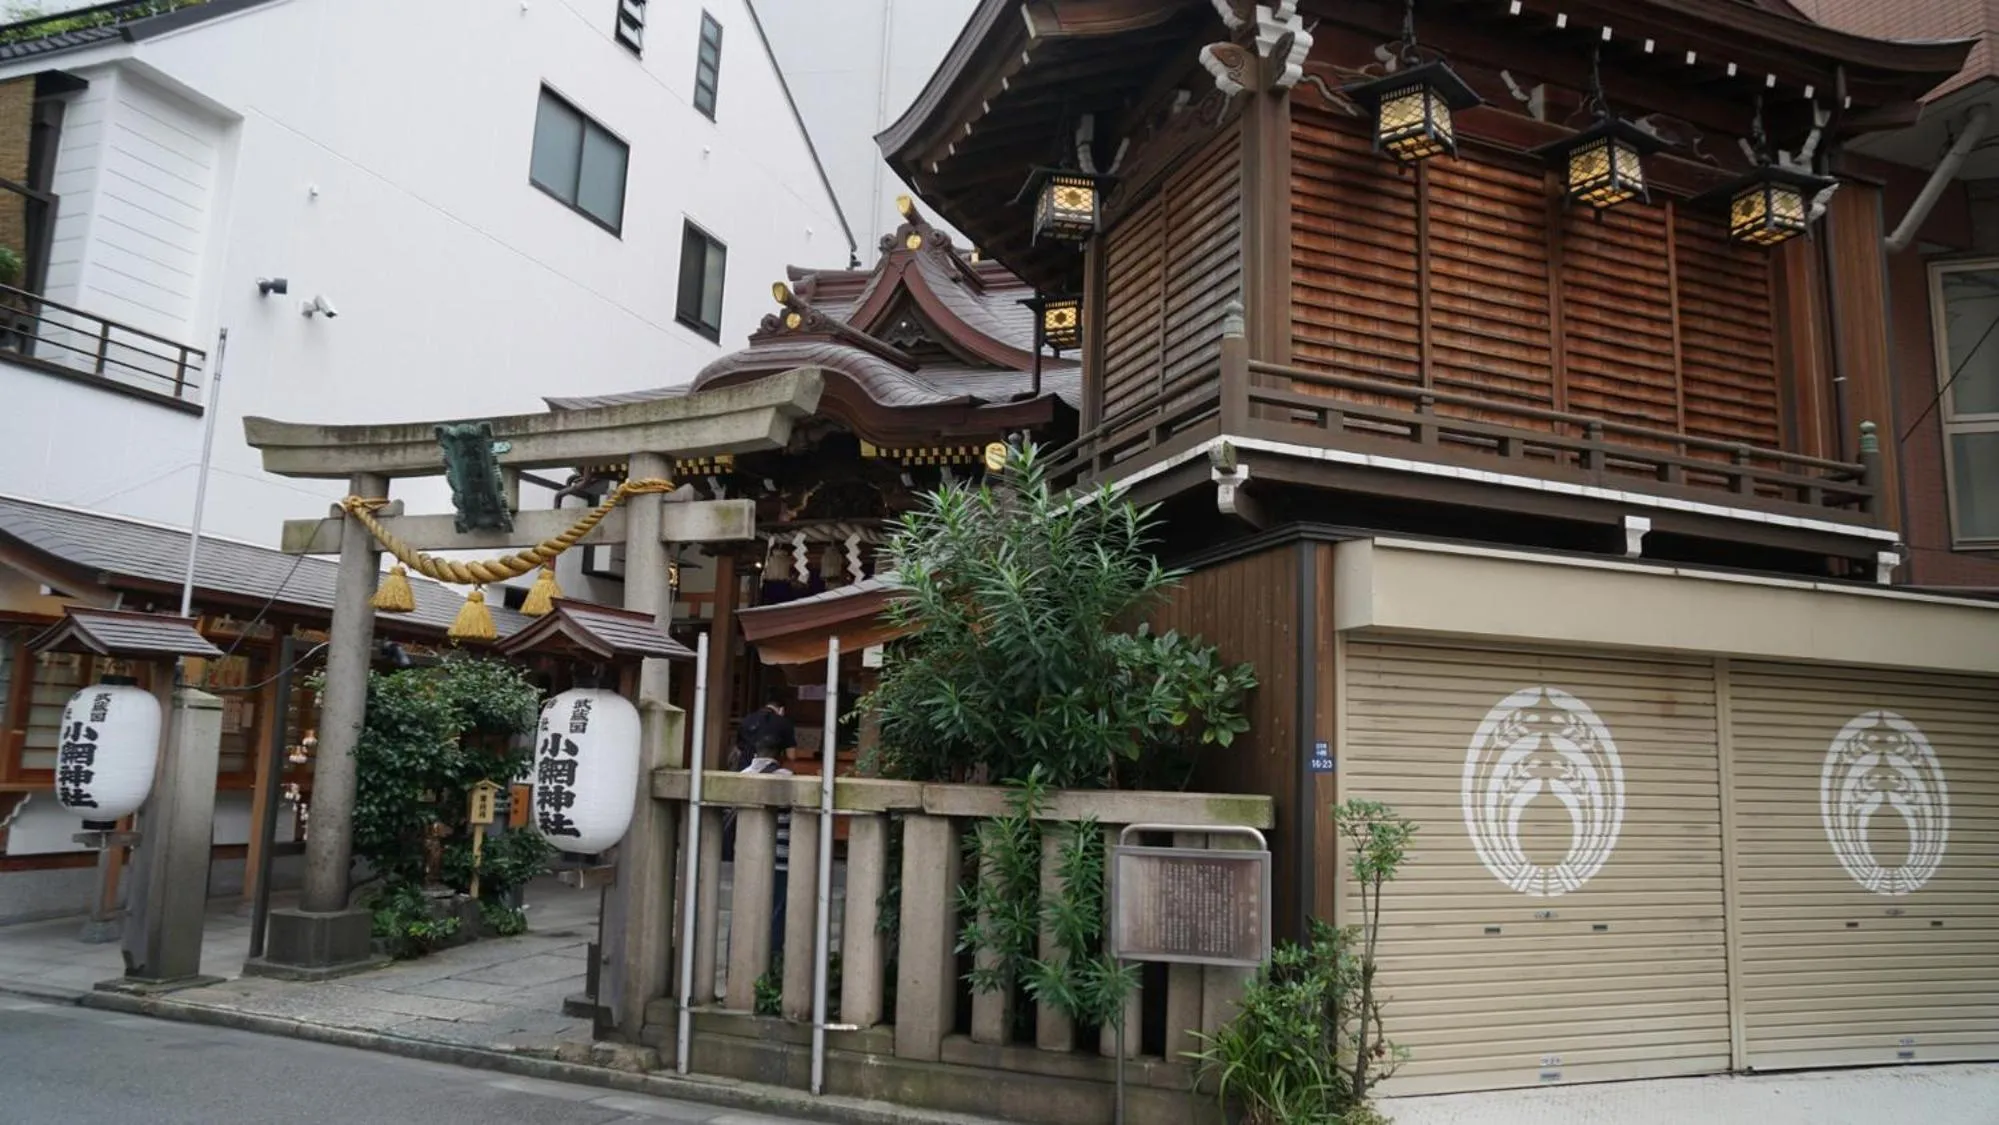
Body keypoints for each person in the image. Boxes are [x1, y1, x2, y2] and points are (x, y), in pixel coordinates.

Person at [739, 732, 792, 959]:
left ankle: (740, 954)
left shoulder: (742, 776)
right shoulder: (786, 777)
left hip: (746, 853)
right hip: (779, 854)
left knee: (744, 907)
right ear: (779, 754)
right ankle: (771, 956)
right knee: (776, 908)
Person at [732, 691, 798, 770]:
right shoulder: (784, 723)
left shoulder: (747, 720)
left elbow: (738, 750)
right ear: (782, 709)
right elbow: (791, 756)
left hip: (745, 769)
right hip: (771, 771)